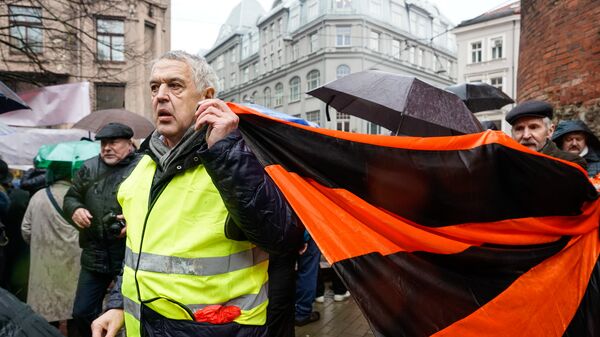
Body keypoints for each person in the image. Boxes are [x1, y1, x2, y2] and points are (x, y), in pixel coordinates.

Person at [91, 50, 303, 337]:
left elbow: (282, 238)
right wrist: (117, 305)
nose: (161, 96)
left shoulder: (240, 155)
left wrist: (224, 151)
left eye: (175, 85)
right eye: (155, 87)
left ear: (207, 96)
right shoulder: (142, 166)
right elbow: (137, 252)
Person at [63, 125, 139, 337]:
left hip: (128, 256)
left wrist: (136, 220)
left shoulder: (142, 166)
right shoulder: (89, 167)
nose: (107, 148)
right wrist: (75, 209)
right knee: (82, 312)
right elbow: (71, 196)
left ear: (129, 143)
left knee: (131, 311)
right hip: (94, 254)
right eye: (103, 143)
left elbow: (156, 204)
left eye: (113, 142)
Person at [21, 163, 82, 334]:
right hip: (74, 265)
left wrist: (39, 246)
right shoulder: (78, 197)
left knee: (46, 316)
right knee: (74, 311)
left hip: (44, 266)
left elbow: (26, 230)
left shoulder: (38, 197)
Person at [505, 100, 587, 168]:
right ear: (512, 133)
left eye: (533, 127)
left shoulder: (570, 163)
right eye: (519, 129)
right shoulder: (504, 163)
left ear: (550, 131)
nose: (526, 135)